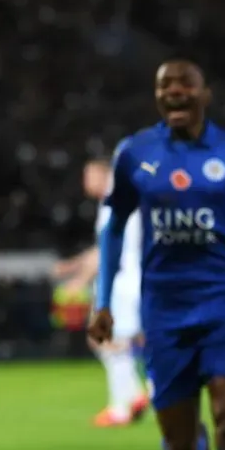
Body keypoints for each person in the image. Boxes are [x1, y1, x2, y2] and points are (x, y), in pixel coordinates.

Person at [88, 60, 225, 450]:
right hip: (164, 311)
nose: (173, 91)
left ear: (206, 94)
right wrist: (102, 301)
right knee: (180, 441)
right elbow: (113, 229)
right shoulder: (135, 153)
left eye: (184, 83)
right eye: (164, 85)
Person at [54, 159, 149, 427]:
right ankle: (134, 395)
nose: (85, 182)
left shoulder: (113, 203)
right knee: (111, 341)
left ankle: (127, 402)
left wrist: (79, 280)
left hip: (121, 282)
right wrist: (72, 266)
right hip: (129, 279)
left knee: (106, 339)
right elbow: (103, 247)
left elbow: (108, 251)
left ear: (102, 174)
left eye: (88, 175)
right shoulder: (120, 201)